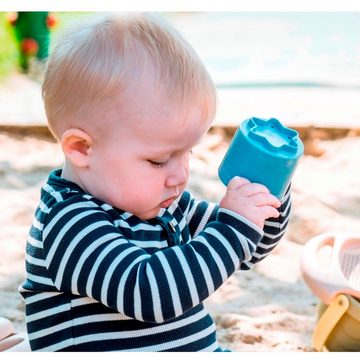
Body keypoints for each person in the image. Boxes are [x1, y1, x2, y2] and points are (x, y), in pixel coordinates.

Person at [19, 13, 291, 352]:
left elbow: (249, 249)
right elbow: (147, 294)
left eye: (187, 152)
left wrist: (264, 194)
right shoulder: (69, 224)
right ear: (81, 148)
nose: (180, 176)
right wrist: (234, 229)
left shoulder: (165, 203)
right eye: (159, 160)